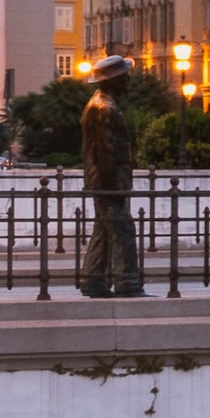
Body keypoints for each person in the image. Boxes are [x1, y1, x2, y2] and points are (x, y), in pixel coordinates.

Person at [73, 54, 146, 298]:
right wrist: (113, 183)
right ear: (113, 80)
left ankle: (93, 280)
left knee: (104, 230)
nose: (128, 80)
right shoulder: (104, 107)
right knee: (122, 228)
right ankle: (126, 281)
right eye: (124, 76)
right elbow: (105, 150)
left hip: (104, 179)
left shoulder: (102, 103)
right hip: (108, 180)